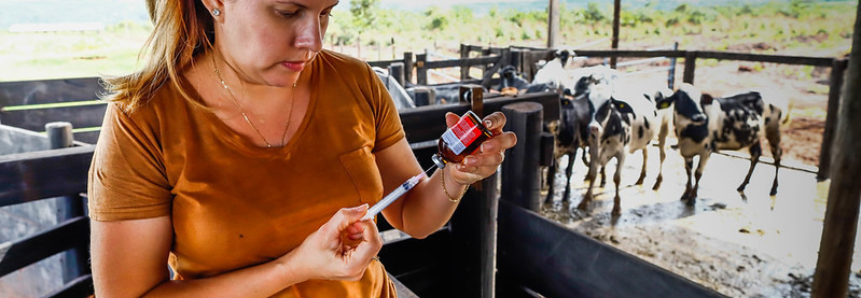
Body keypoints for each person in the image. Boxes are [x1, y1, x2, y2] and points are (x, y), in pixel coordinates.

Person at [87, 0, 517, 297]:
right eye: (287, 11)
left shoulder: (355, 83)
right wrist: (294, 268)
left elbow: (413, 216)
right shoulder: (144, 118)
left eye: (325, 13)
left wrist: (455, 177)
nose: (313, 40)